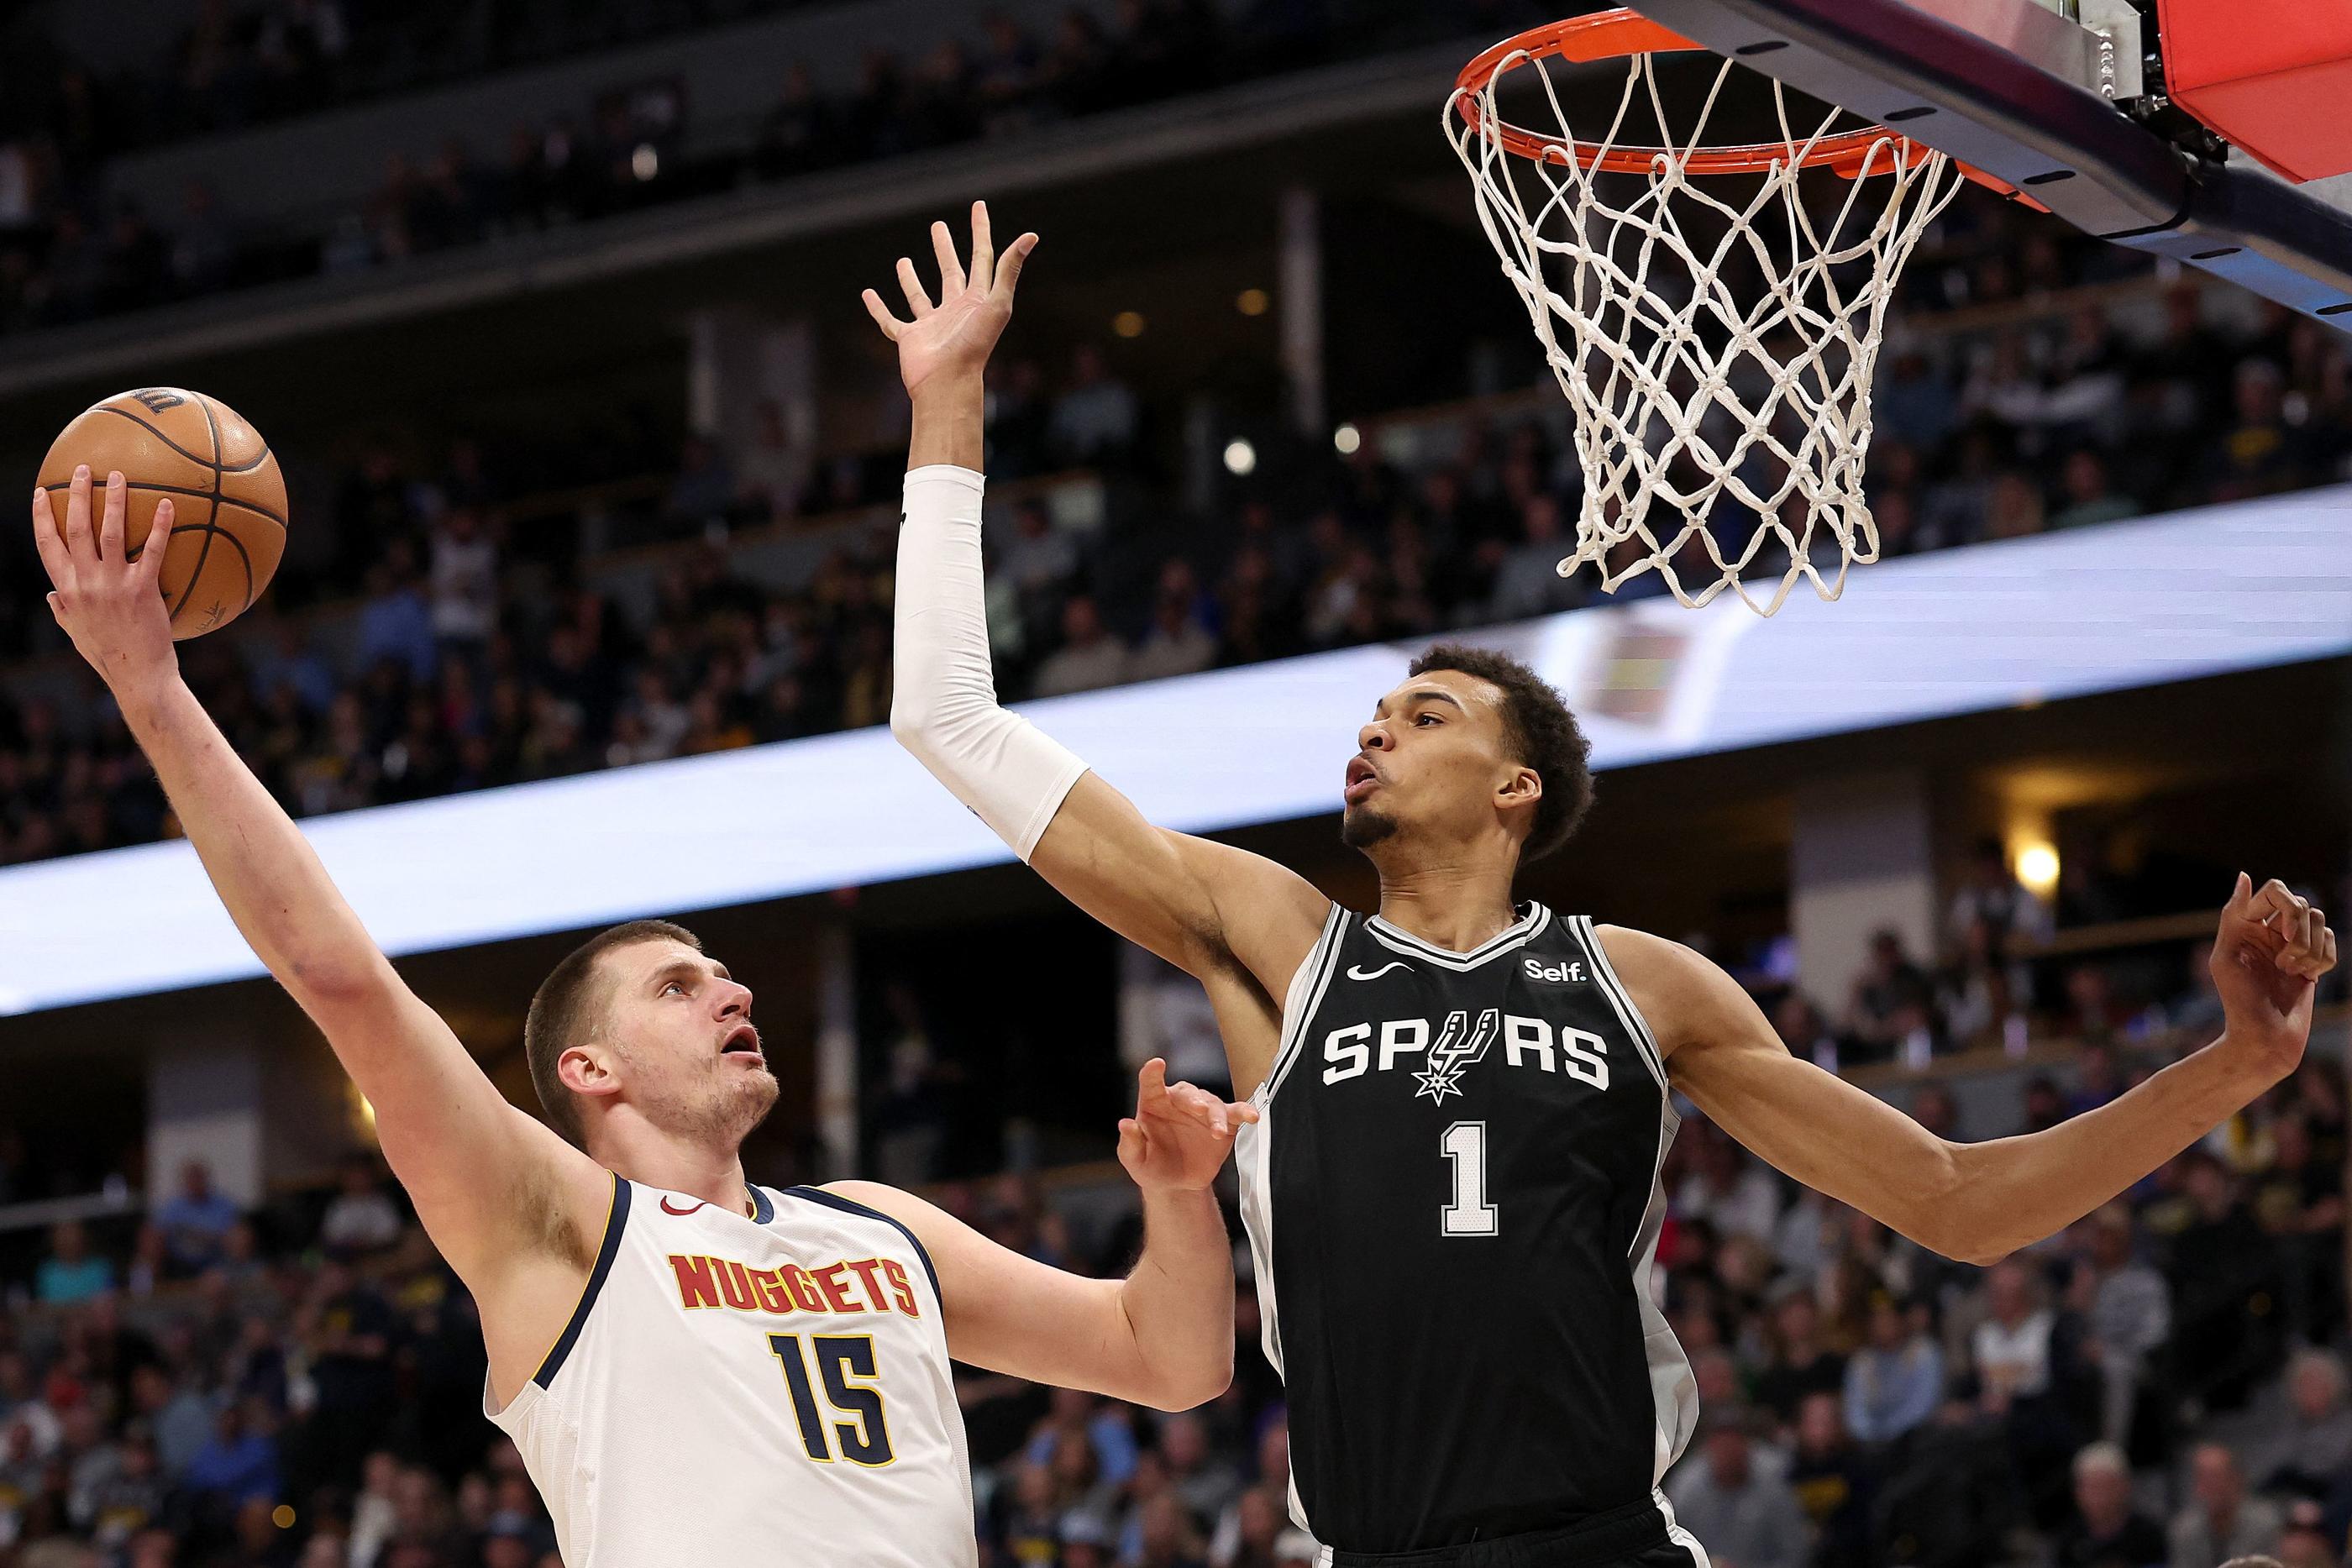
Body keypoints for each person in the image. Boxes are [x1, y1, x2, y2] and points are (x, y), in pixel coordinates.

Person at [875, 202, 2339, 1567]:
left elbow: (1957, 1202)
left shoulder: (1644, 987)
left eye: (1429, 712)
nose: (1378, 724)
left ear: (1518, 790)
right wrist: (948, 402)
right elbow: (948, 725)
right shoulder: (1276, 944)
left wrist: (2237, 1065)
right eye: (1380, 710)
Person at [28, 463, 1251, 1567]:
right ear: (589, 1069)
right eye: (678, 985)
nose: (733, 990)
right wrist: (150, 688)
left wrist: (1182, 1199)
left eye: (722, 972)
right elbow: (340, 976)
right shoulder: (551, 1226)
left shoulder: (879, 1228)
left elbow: (1174, 1362)